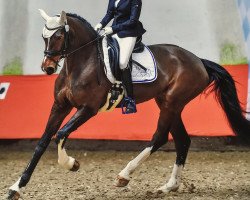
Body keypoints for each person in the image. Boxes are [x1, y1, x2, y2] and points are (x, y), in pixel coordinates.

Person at [95, 0, 146, 114]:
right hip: (114, 31)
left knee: (123, 62)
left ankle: (130, 100)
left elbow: (133, 21)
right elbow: (110, 13)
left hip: (129, 32)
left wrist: (113, 28)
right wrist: (100, 24)